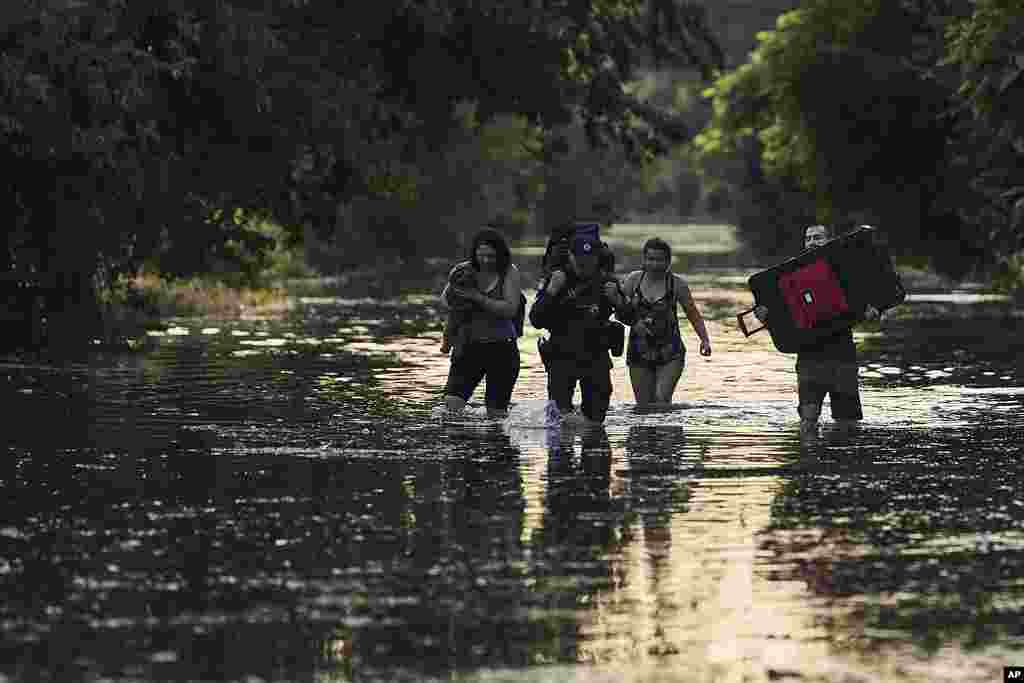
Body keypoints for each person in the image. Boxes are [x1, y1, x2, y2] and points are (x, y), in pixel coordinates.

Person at [754, 224, 880, 432]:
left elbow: (867, 307)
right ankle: (809, 462)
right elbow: (782, 325)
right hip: (809, 360)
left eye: (818, 237)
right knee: (808, 419)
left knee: (847, 422)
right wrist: (765, 320)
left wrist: (873, 314)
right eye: (808, 238)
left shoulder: (846, 272)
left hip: (843, 358)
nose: (812, 242)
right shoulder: (789, 279)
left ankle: (845, 461)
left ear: (828, 240)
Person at [529, 224, 631, 424]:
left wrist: (618, 301)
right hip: (561, 357)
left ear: (596, 257)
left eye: (589, 259)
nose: (584, 264)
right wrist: (551, 291)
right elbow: (536, 320)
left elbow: (630, 319)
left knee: (595, 421)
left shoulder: (606, 281)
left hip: (596, 357)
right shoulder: (557, 279)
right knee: (558, 421)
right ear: (570, 256)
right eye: (579, 259)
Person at [440, 227, 523, 418]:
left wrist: (477, 297)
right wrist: (459, 298)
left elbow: (510, 309)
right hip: (468, 347)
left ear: (500, 254)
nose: (486, 260)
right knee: (450, 409)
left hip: (502, 349)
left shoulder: (509, 271)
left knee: (496, 415)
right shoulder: (462, 271)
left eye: (491, 256)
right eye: (482, 255)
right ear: (474, 253)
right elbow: (444, 301)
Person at [619, 237, 712, 406]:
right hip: (639, 351)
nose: (655, 264)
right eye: (650, 259)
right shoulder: (634, 280)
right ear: (644, 260)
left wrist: (704, 339)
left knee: (661, 401)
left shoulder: (677, 284)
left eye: (660, 260)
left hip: (671, 352)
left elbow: (693, 314)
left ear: (668, 261)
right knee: (644, 407)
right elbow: (619, 311)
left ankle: (666, 432)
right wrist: (634, 323)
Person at [439, 261, 477, 356]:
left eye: (468, 277)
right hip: (456, 310)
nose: (463, 278)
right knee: (450, 326)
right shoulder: (453, 284)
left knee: (459, 329)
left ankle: (451, 347)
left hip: (471, 314)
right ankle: (446, 345)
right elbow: (446, 299)